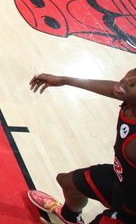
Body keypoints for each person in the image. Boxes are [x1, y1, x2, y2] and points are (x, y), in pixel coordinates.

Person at [26, 69, 136, 224]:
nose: (129, 80)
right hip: (121, 179)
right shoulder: (129, 96)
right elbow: (115, 89)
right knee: (68, 183)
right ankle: (69, 217)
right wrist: (63, 80)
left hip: (130, 211)